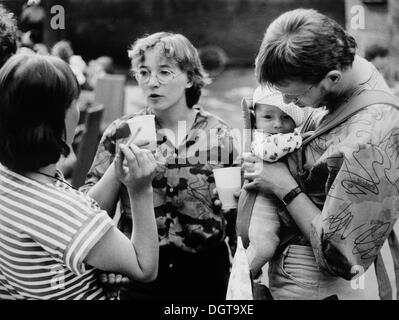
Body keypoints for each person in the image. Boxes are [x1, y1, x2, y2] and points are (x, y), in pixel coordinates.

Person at [243, 9, 399, 300]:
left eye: (295, 97)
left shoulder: (376, 132)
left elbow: (344, 258)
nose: (286, 103)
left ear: (331, 77)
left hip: (314, 287)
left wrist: (281, 184)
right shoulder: (350, 75)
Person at [81, 32, 240, 300]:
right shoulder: (121, 132)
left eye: (164, 72)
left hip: (205, 273)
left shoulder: (218, 135)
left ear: (190, 78)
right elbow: (90, 212)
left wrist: (242, 269)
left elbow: (233, 213)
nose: (151, 82)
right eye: (143, 72)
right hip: (140, 272)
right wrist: (117, 170)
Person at [0, 54, 159, 300]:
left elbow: (78, 217)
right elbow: (143, 266)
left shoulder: (10, 179)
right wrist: (140, 191)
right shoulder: (61, 209)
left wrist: (115, 173)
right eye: (74, 102)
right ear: (58, 120)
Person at [239, 85, 305, 280]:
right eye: (268, 117)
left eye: (285, 117)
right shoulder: (261, 139)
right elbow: (270, 152)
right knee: (265, 246)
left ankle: (247, 277)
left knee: (270, 243)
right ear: (255, 118)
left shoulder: (281, 136)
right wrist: (298, 138)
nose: (277, 124)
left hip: (279, 208)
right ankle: (239, 280)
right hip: (261, 208)